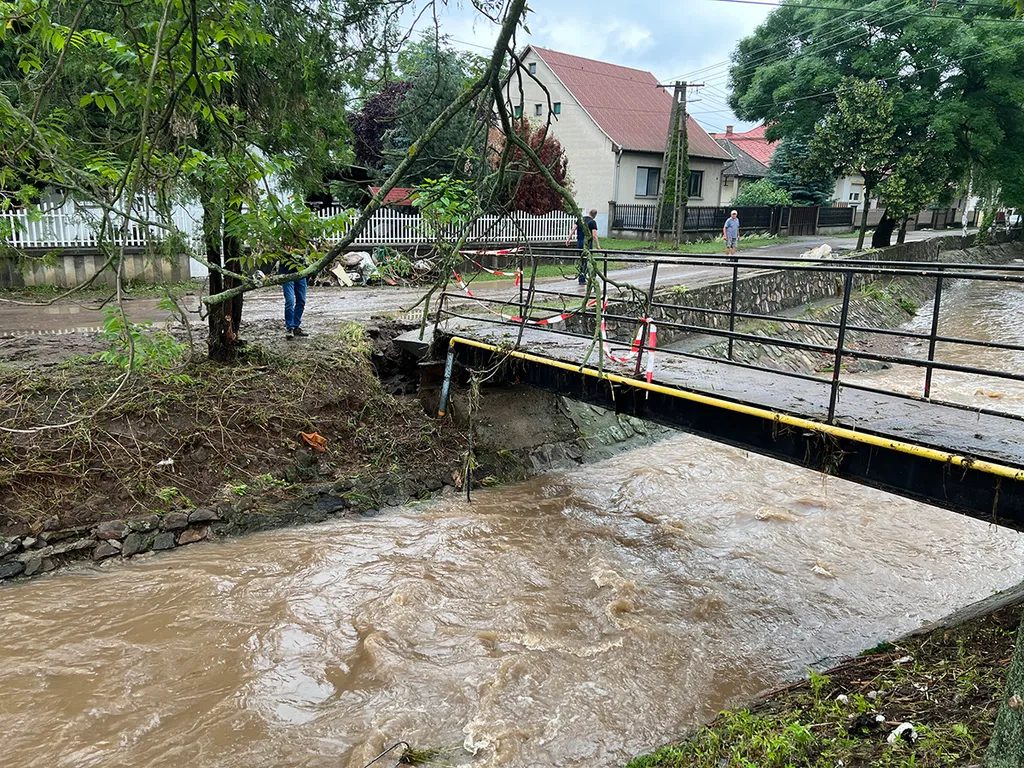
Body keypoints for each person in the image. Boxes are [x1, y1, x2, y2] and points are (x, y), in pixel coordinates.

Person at [279, 251, 308, 339]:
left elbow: (312, 249)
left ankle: (296, 326)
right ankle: (289, 327)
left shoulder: (304, 240)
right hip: (286, 274)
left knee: (301, 300)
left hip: (301, 273)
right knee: (290, 301)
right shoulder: (285, 239)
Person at [567, 208, 600, 285]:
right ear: (595, 215)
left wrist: (569, 238)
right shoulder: (592, 222)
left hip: (579, 242)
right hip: (587, 243)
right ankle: (587, 278)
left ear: (589, 213)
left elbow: (573, 229)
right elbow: (594, 235)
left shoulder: (580, 220)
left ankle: (582, 277)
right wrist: (598, 245)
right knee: (588, 260)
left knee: (581, 260)